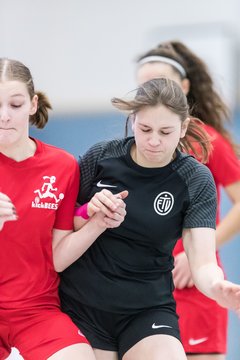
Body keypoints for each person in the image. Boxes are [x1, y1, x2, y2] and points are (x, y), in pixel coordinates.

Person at [59, 77, 240, 360]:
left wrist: (217, 288)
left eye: (165, 132)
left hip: (147, 310)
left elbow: (202, 260)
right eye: (145, 129)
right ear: (132, 121)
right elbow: (61, 226)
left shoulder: (195, 179)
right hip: (83, 306)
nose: (154, 141)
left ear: (183, 128)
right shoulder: (101, 158)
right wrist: (88, 212)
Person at [0, 58, 127, 360]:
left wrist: (98, 222)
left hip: (36, 311)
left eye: (15, 105)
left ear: (32, 104)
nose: (5, 116)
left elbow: (58, 257)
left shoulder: (62, 166)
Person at [135, 40, 240, 360]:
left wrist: (197, 258)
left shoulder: (207, 140)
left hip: (193, 284)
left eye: (162, 83)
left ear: (183, 86)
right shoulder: (127, 148)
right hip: (144, 287)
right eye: (144, 86)